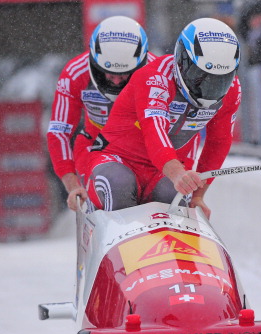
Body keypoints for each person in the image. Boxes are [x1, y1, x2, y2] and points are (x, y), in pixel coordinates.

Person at [84, 18, 242, 219]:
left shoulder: (233, 89)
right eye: (200, 77)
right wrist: (177, 173)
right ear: (182, 62)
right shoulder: (154, 77)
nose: (208, 88)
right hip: (117, 159)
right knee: (119, 185)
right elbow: (154, 130)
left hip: (163, 172)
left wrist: (198, 194)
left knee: (171, 196)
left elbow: (218, 142)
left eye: (220, 80)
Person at [46, 16, 155, 211]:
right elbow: (58, 131)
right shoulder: (75, 73)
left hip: (143, 148)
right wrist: (72, 185)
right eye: (109, 73)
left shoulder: (157, 73)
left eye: (124, 75)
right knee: (112, 189)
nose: (116, 82)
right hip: (97, 146)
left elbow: (181, 127)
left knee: (165, 194)